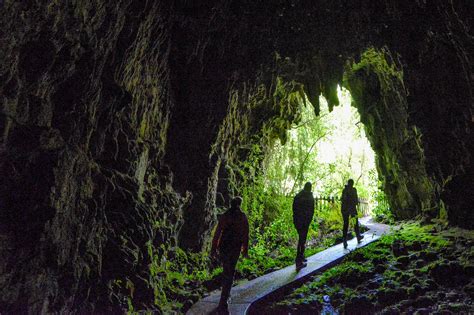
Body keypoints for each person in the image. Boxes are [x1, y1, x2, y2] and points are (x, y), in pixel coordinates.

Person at [211, 196, 249, 313]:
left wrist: (214, 248)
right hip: (235, 247)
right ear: (239, 204)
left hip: (224, 246)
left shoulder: (225, 215)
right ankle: (224, 298)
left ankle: (224, 297)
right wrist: (245, 250)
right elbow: (245, 234)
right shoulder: (242, 216)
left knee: (226, 269)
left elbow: (217, 233)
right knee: (230, 271)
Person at [292, 182, 315, 269]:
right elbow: (311, 210)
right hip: (304, 221)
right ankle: (298, 261)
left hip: (297, 220)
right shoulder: (309, 197)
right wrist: (308, 220)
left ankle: (302, 257)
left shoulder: (298, 196)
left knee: (302, 238)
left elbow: (294, 208)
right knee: (302, 239)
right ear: (310, 188)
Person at [341, 179, 364, 248]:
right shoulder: (350, 190)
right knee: (350, 224)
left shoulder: (348, 190)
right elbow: (354, 200)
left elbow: (354, 200)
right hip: (349, 209)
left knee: (350, 223)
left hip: (348, 209)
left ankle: (355, 237)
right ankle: (349, 239)